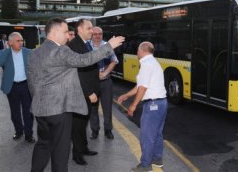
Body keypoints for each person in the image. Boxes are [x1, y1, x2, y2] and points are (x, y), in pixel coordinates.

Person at [27, 17, 124, 172]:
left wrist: (38, 100)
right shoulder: (61, 50)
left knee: (43, 144)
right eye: (65, 32)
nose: (67, 36)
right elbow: (84, 60)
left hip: (40, 109)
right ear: (55, 31)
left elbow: (31, 83)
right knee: (60, 151)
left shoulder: (34, 52)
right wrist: (109, 47)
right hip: (59, 110)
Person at [118, 42, 168, 172]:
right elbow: (140, 85)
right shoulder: (153, 62)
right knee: (157, 134)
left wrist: (133, 106)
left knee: (147, 136)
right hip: (161, 103)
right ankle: (157, 159)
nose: (136, 53)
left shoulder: (146, 65)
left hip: (153, 105)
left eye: (137, 51)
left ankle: (145, 166)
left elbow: (142, 88)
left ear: (141, 51)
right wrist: (127, 95)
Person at [67, 19, 100, 165]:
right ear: (80, 29)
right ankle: (77, 154)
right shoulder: (74, 45)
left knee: (84, 122)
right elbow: (78, 73)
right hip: (81, 93)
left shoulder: (84, 44)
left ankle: (84, 148)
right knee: (78, 125)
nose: (92, 31)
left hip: (88, 92)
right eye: (89, 28)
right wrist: (89, 92)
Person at [0, 32, 35, 143]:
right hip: (12, 86)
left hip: (26, 85)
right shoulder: (5, 53)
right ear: (11, 42)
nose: (21, 43)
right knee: (15, 111)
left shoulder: (28, 52)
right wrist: (8, 49)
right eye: (18, 41)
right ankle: (19, 131)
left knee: (28, 111)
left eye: (22, 40)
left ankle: (28, 134)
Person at [89, 26, 119, 140]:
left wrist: (105, 72)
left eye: (99, 34)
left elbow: (114, 61)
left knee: (107, 108)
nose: (97, 36)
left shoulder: (107, 45)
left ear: (102, 34)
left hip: (106, 82)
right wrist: (95, 75)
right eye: (95, 34)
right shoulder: (87, 46)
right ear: (92, 34)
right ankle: (95, 130)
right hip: (92, 82)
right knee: (93, 108)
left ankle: (108, 130)